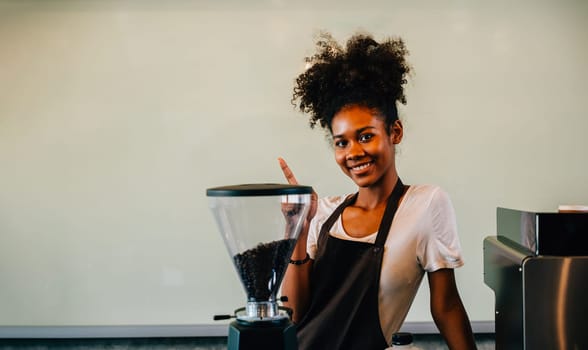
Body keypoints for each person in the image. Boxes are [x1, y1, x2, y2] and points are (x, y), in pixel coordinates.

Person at [278, 31, 477, 350]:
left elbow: (446, 307)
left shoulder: (425, 205)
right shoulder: (324, 213)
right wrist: (297, 231)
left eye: (366, 136)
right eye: (342, 142)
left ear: (394, 132)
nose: (353, 151)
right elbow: (294, 316)